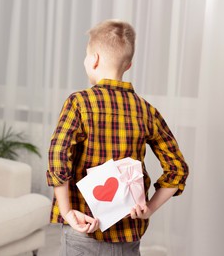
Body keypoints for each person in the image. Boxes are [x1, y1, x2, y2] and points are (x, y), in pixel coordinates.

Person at [46, 19, 189, 255]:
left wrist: (67, 210)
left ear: (94, 59)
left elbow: (57, 156)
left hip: (84, 230)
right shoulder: (146, 110)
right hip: (128, 236)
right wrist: (149, 209)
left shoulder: (79, 103)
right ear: (129, 64)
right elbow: (178, 168)